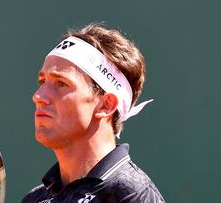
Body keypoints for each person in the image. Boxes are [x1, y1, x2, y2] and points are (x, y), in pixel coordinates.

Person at [22, 23, 165, 203]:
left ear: (106, 105)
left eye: (61, 83)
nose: (38, 96)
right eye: (42, 82)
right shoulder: (34, 199)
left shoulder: (132, 194)